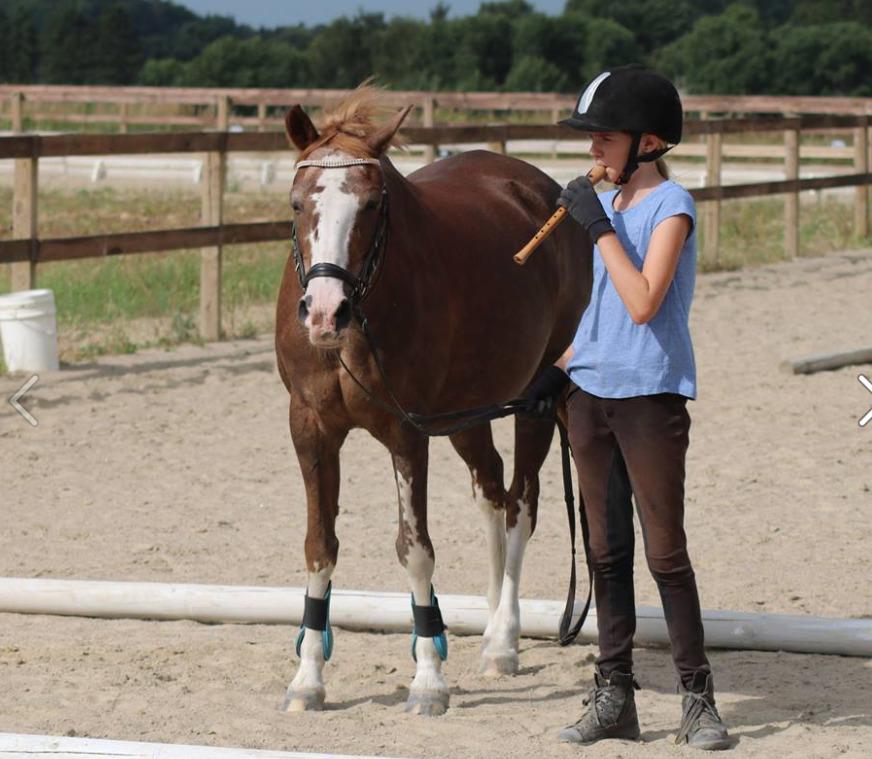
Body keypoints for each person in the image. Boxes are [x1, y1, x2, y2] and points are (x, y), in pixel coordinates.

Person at [528, 65, 731, 751]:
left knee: (665, 552)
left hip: (650, 396)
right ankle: (614, 694)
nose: (594, 154)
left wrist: (597, 230)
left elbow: (644, 300)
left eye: (604, 140)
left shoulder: (670, 207)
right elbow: (602, 310)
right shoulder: (608, 208)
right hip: (591, 396)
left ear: (647, 142)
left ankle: (698, 700)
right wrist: (554, 366)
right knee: (606, 551)